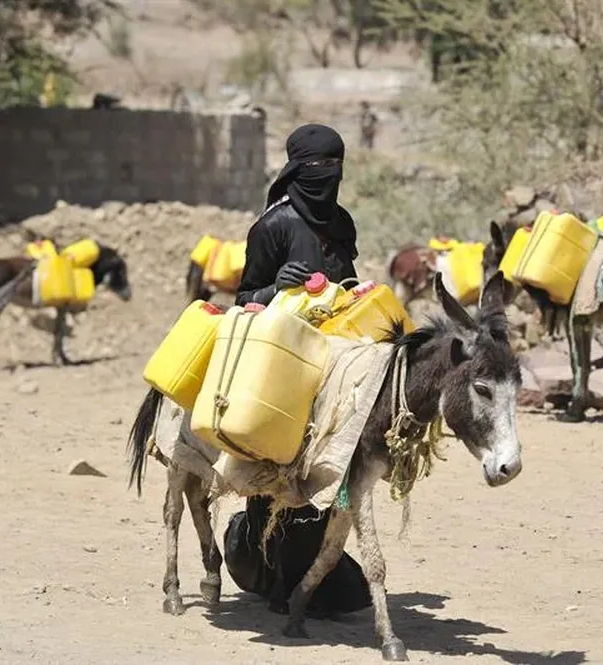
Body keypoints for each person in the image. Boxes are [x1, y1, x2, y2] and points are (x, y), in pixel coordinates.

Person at [224, 123, 372, 616]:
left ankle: (305, 561)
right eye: (317, 168)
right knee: (277, 472)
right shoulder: (274, 226)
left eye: (336, 167)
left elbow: (346, 282)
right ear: (296, 170)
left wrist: (357, 293)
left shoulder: (342, 222)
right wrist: (275, 289)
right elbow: (243, 298)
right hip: (284, 370)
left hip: (333, 362)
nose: (327, 178)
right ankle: (261, 556)